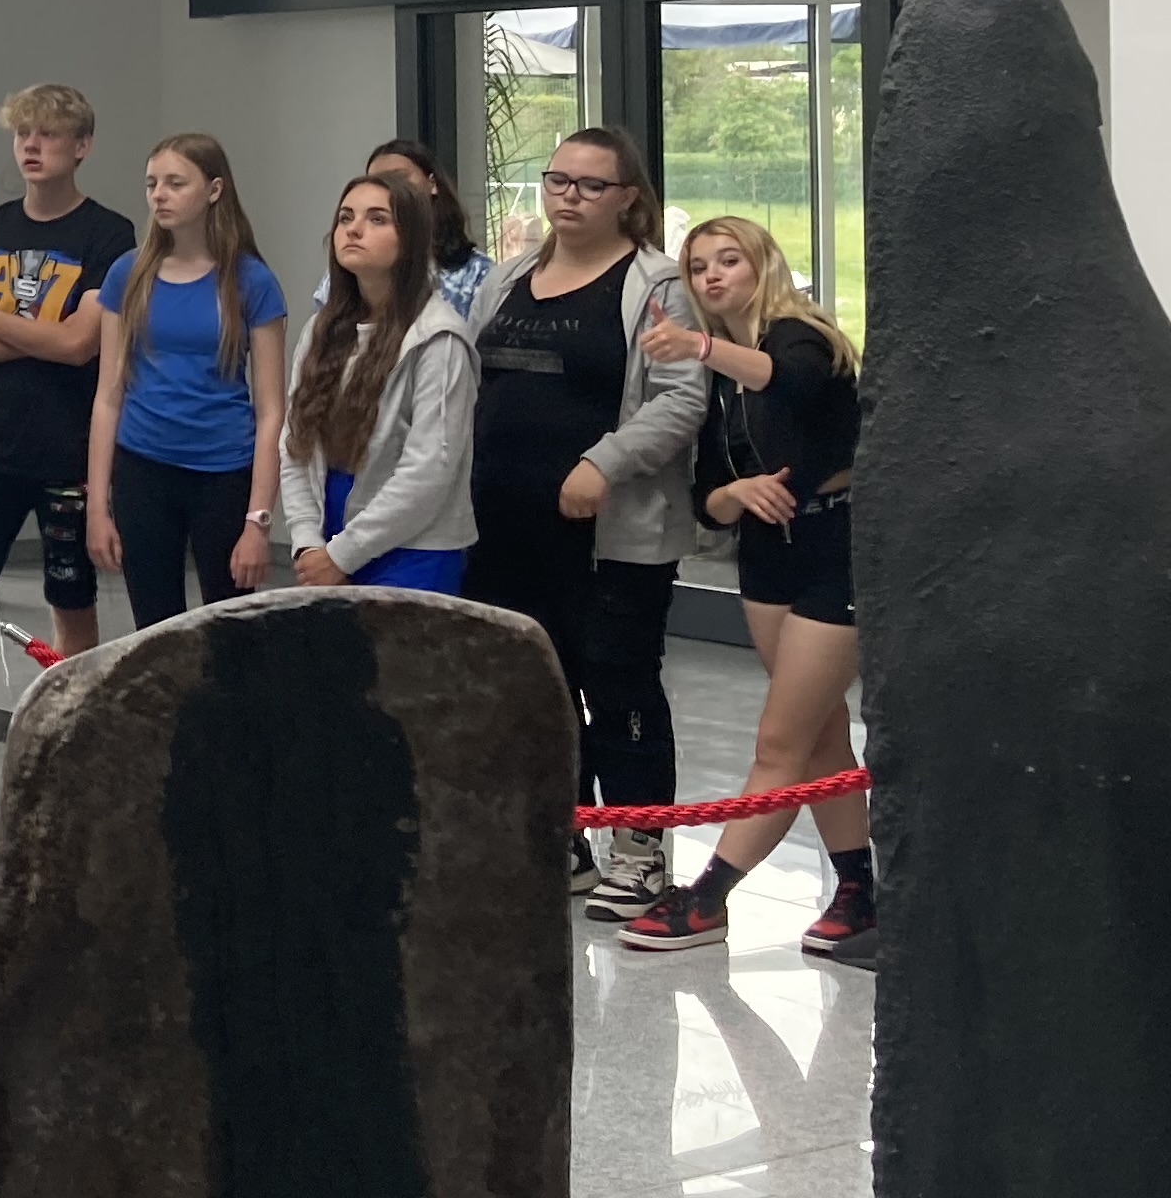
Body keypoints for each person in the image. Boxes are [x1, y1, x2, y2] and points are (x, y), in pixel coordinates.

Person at [462, 124, 707, 917]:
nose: (569, 196)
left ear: (627, 197)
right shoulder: (509, 279)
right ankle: (562, 836)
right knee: (536, 686)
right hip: (506, 525)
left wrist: (603, 463)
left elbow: (681, 398)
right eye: (558, 180)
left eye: (590, 185)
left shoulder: (654, 284)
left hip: (610, 535)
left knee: (619, 682)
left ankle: (638, 853)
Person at [617, 216, 875, 960]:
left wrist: (699, 346)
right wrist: (739, 493)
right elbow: (708, 498)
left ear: (762, 264)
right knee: (819, 733)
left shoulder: (803, 338)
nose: (712, 276)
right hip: (766, 558)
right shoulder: (720, 379)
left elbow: (788, 380)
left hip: (834, 548)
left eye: (728, 260)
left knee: (780, 740)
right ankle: (858, 892)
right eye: (699, 266)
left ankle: (709, 895)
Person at [79, 134, 288, 629]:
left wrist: (258, 520)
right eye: (152, 184)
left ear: (214, 190)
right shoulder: (128, 274)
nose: (159, 195)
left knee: (230, 627)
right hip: (143, 468)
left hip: (224, 472)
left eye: (175, 183)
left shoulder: (251, 281)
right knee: (154, 628)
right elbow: (108, 396)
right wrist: (97, 508)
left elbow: (271, 411)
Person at [0, 83, 135, 661]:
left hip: (70, 447)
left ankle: (66, 709)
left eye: (49, 134)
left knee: (71, 597)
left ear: (82, 145)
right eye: (23, 134)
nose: (31, 146)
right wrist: (50, 334)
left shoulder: (108, 233)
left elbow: (81, 345)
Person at [277, 173, 480, 594]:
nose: (354, 229)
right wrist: (306, 540)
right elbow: (296, 441)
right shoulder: (321, 330)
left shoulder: (439, 337)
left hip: (415, 544)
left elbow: (429, 471)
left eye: (377, 219)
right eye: (346, 217)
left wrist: (343, 555)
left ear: (411, 239)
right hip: (330, 528)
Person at [361, 137, 492, 316]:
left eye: (400, 178)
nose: (390, 190)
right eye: (377, 184)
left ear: (432, 183)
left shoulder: (477, 273)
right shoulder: (357, 267)